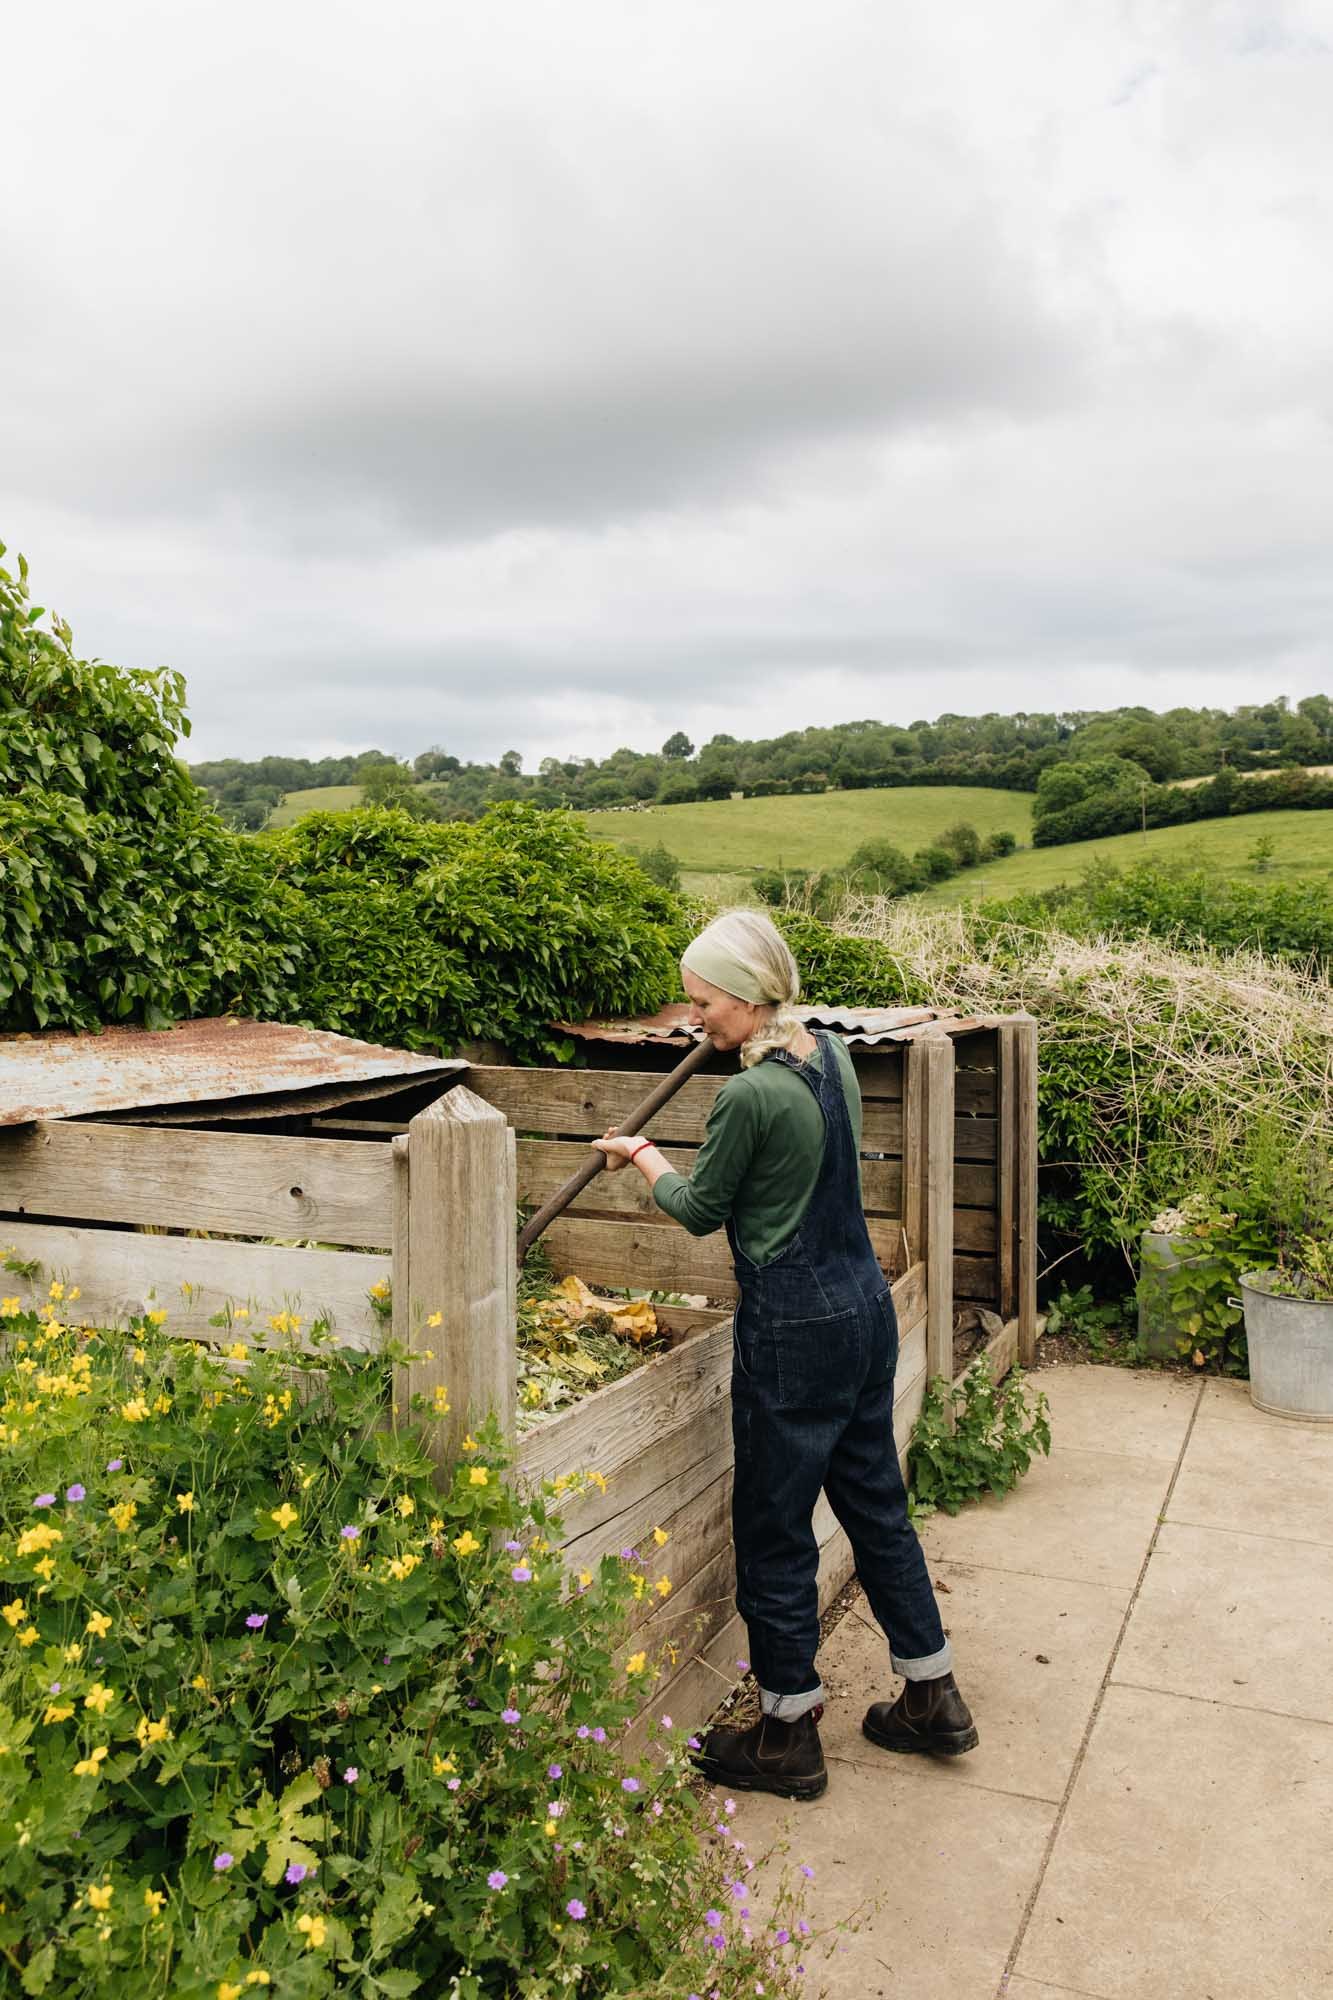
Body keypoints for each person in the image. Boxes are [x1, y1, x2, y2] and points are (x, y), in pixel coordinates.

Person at [592, 908, 976, 1801]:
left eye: (703, 1004)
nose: (696, 1021)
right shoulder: (829, 1053)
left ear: (745, 994)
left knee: (772, 1526)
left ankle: (786, 1731)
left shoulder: (748, 1094)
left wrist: (641, 1154)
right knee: (875, 1503)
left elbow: (697, 1209)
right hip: (862, 1309)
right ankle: (932, 1693)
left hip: (793, 1326)